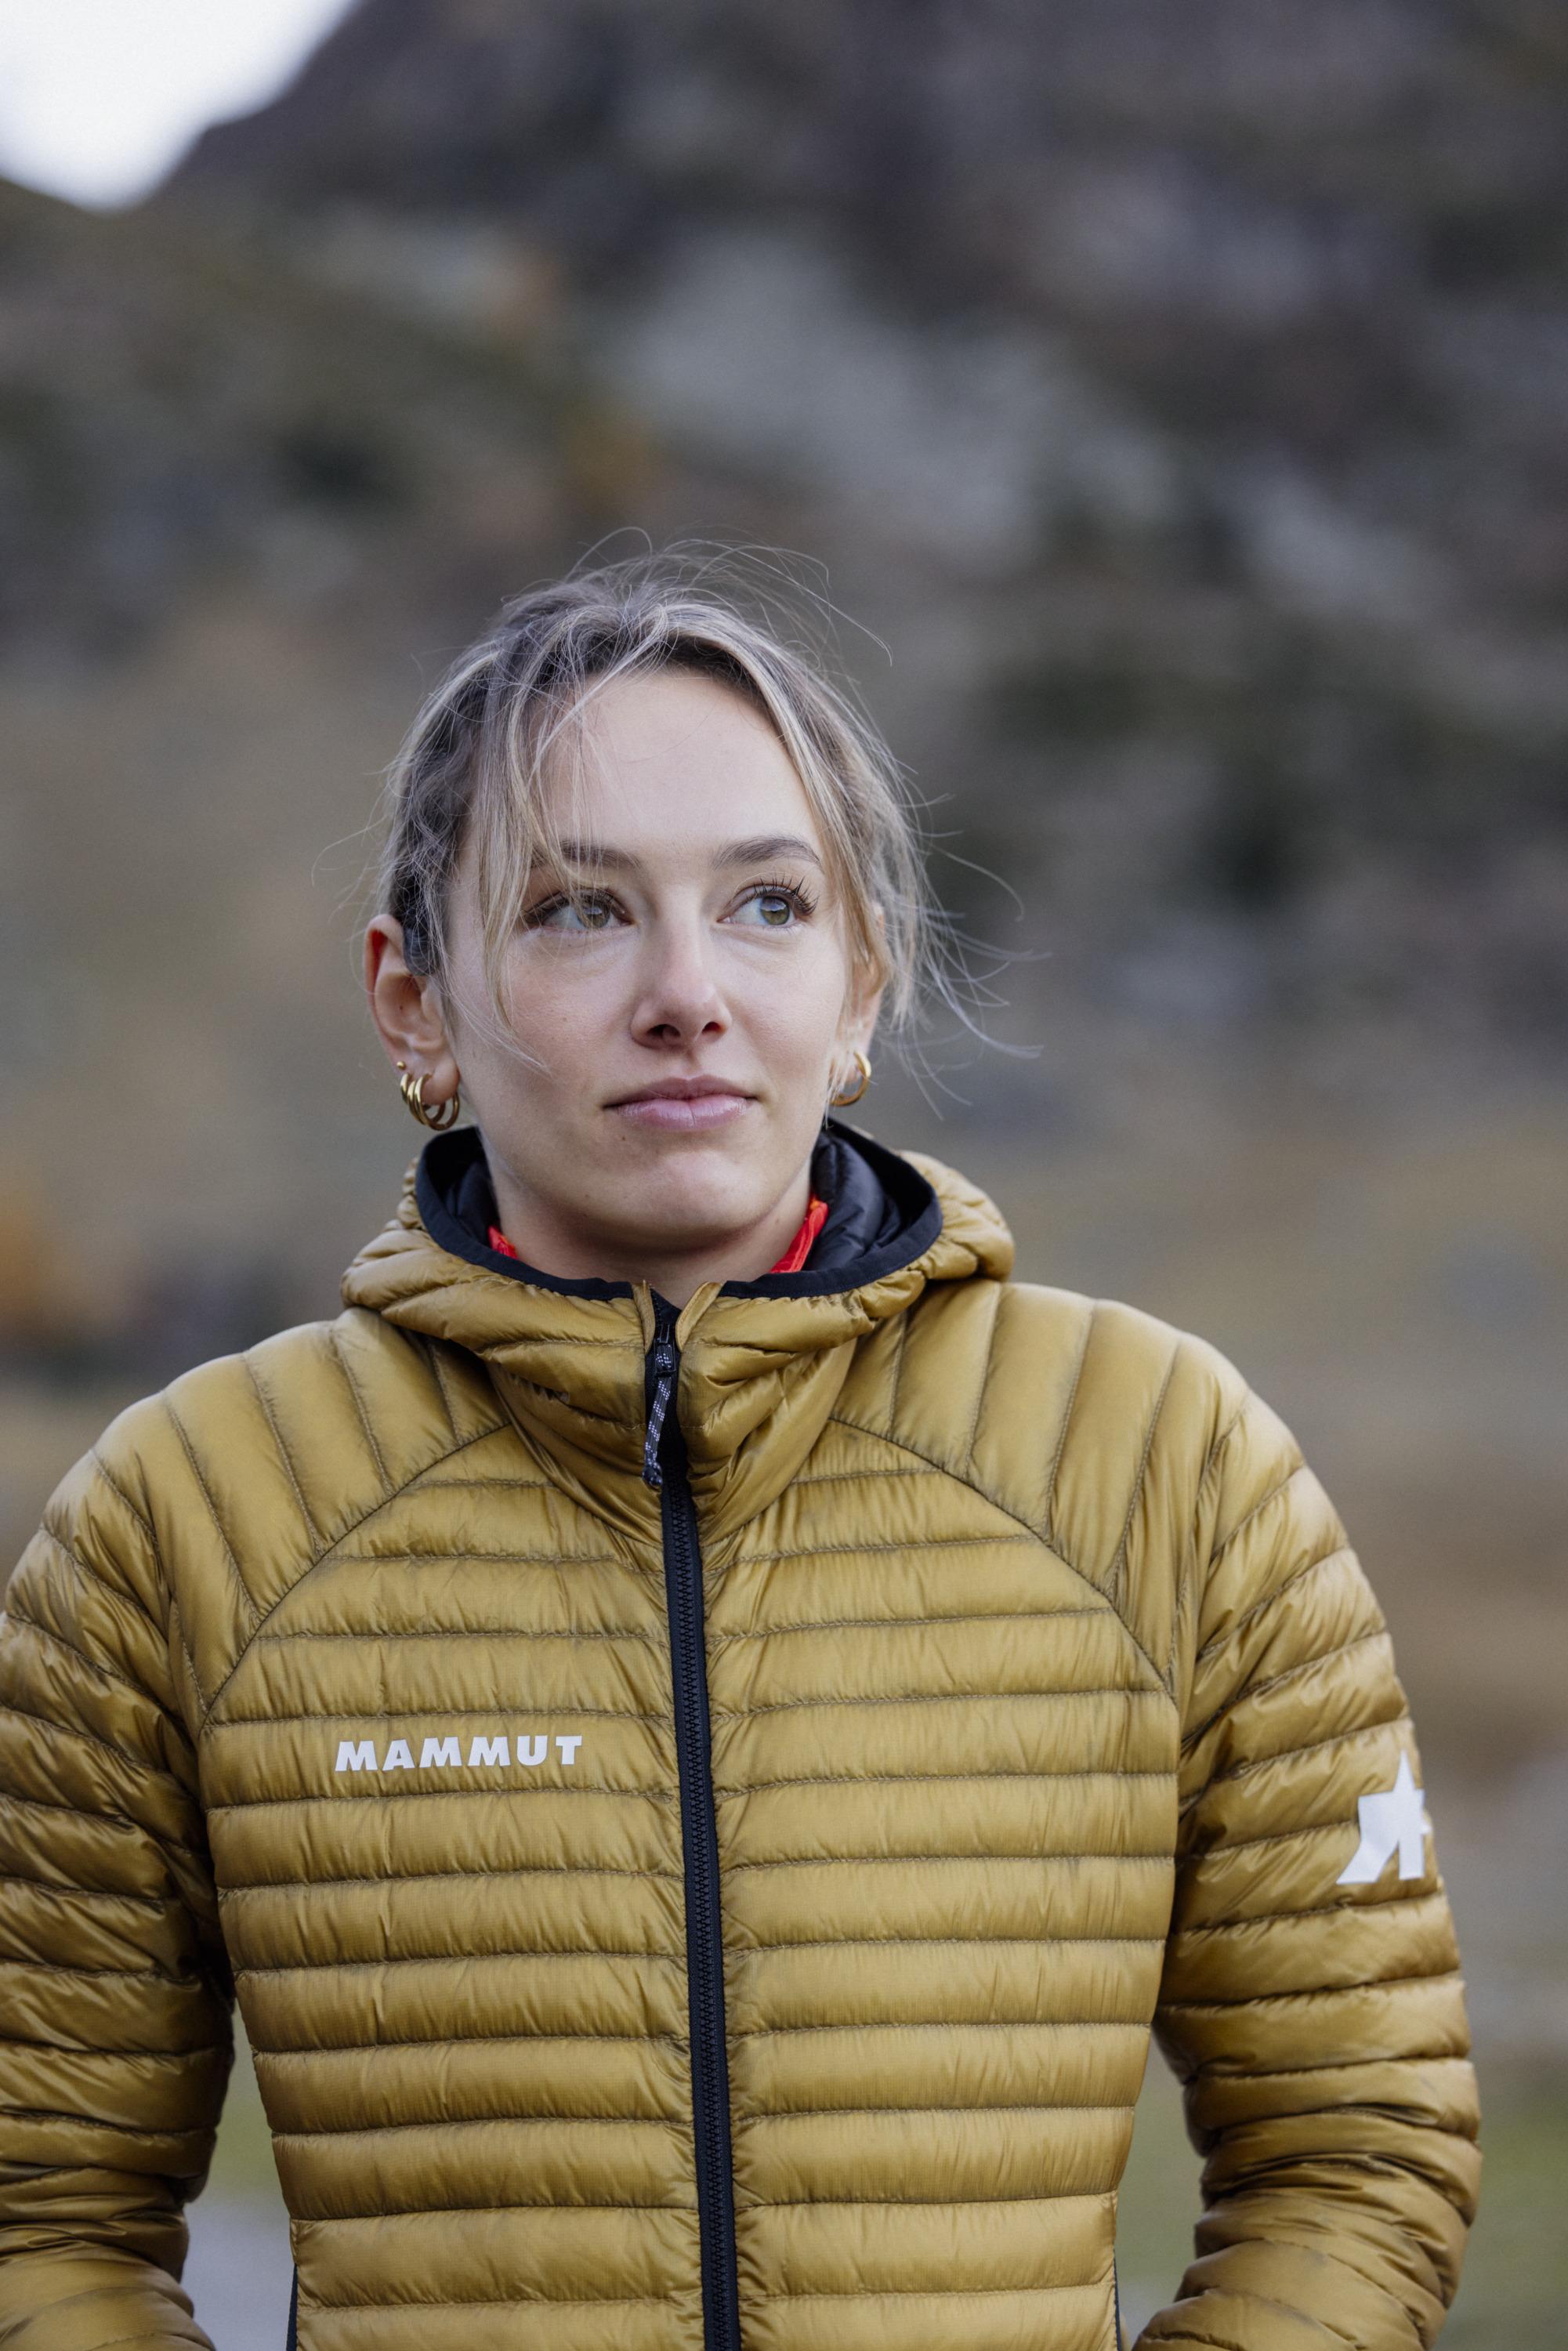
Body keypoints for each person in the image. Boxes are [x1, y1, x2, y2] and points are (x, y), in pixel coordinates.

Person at [0, 555, 1479, 2350]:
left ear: (861, 978)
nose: (686, 993)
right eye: (574, 909)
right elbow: (42, 2214)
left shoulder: (1166, 1467)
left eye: (766, 905)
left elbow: (1356, 2145)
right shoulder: (191, 1515)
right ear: (414, 1005)